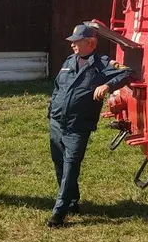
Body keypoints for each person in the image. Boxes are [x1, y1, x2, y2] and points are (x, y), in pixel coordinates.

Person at [46, 24, 133, 228]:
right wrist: (52, 110)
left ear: (90, 43)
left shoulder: (102, 63)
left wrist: (107, 85)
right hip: (57, 122)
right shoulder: (69, 61)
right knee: (59, 163)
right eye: (72, 42)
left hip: (79, 125)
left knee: (71, 166)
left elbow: (128, 73)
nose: (72, 45)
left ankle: (58, 213)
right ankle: (72, 203)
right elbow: (58, 87)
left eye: (76, 42)